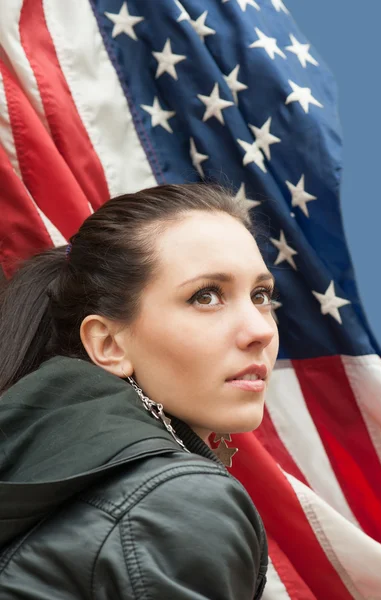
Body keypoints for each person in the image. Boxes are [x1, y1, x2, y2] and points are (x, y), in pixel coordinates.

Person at [0, 183, 279, 599]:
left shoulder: (44, 462)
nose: (259, 330)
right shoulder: (176, 502)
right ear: (109, 344)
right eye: (206, 296)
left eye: (261, 295)